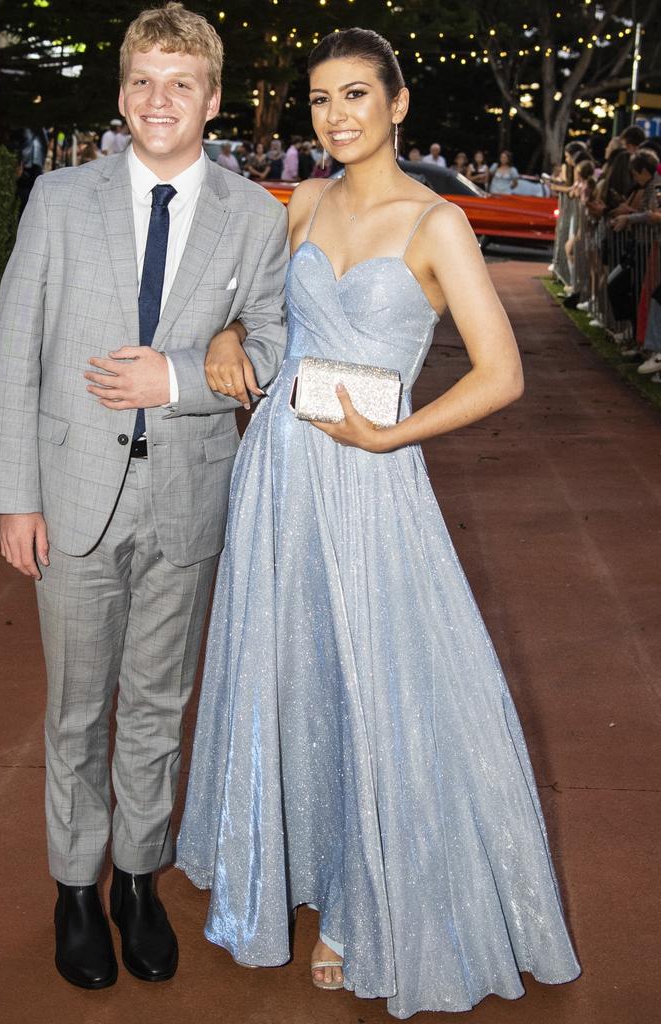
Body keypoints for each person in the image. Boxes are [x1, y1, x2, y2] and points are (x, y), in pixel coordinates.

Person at [177, 25, 580, 1020]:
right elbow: (251, 313)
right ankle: (287, 867)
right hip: (277, 469)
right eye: (321, 99)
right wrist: (229, 333)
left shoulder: (437, 223)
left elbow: (503, 374)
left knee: (371, 682)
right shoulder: (301, 202)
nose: (338, 115)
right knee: (291, 673)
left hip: (371, 479)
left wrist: (397, 438)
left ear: (397, 104)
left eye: (357, 94)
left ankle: (365, 902)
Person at [0, 2, 287, 992]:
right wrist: (14, 497)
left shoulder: (257, 216)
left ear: (212, 100)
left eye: (182, 83)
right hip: (69, 495)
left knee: (158, 703)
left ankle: (137, 882)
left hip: (189, 501)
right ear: (123, 95)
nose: (162, 100)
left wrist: (185, 377)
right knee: (76, 709)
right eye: (145, 82)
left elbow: (275, 347)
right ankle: (75, 885)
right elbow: (15, 351)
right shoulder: (60, 200)